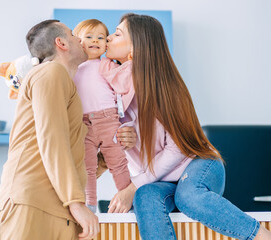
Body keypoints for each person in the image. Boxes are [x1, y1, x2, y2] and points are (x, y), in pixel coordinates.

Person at [103, 13, 271, 240]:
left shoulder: (163, 89)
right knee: (145, 197)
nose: (108, 38)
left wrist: (132, 186)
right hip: (161, 180)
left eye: (117, 34)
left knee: (188, 196)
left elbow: (177, 149)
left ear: (135, 49)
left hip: (198, 163)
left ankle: (262, 236)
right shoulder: (110, 92)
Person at [0, 19, 99, 240]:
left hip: (57, 209)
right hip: (32, 204)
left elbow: (71, 155)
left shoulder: (63, 85)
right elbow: (53, 140)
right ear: (61, 43)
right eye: (72, 34)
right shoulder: (50, 72)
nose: (80, 38)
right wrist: (76, 202)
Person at [72, 19, 131, 213]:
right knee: (87, 166)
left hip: (108, 120)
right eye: (88, 37)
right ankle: (89, 205)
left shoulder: (106, 64)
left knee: (118, 162)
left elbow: (124, 81)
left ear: (106, 44)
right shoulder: (73, 68)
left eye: (100, 37)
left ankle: (129, 199)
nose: (95, 41)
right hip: (83, 123)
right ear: (77, 41)